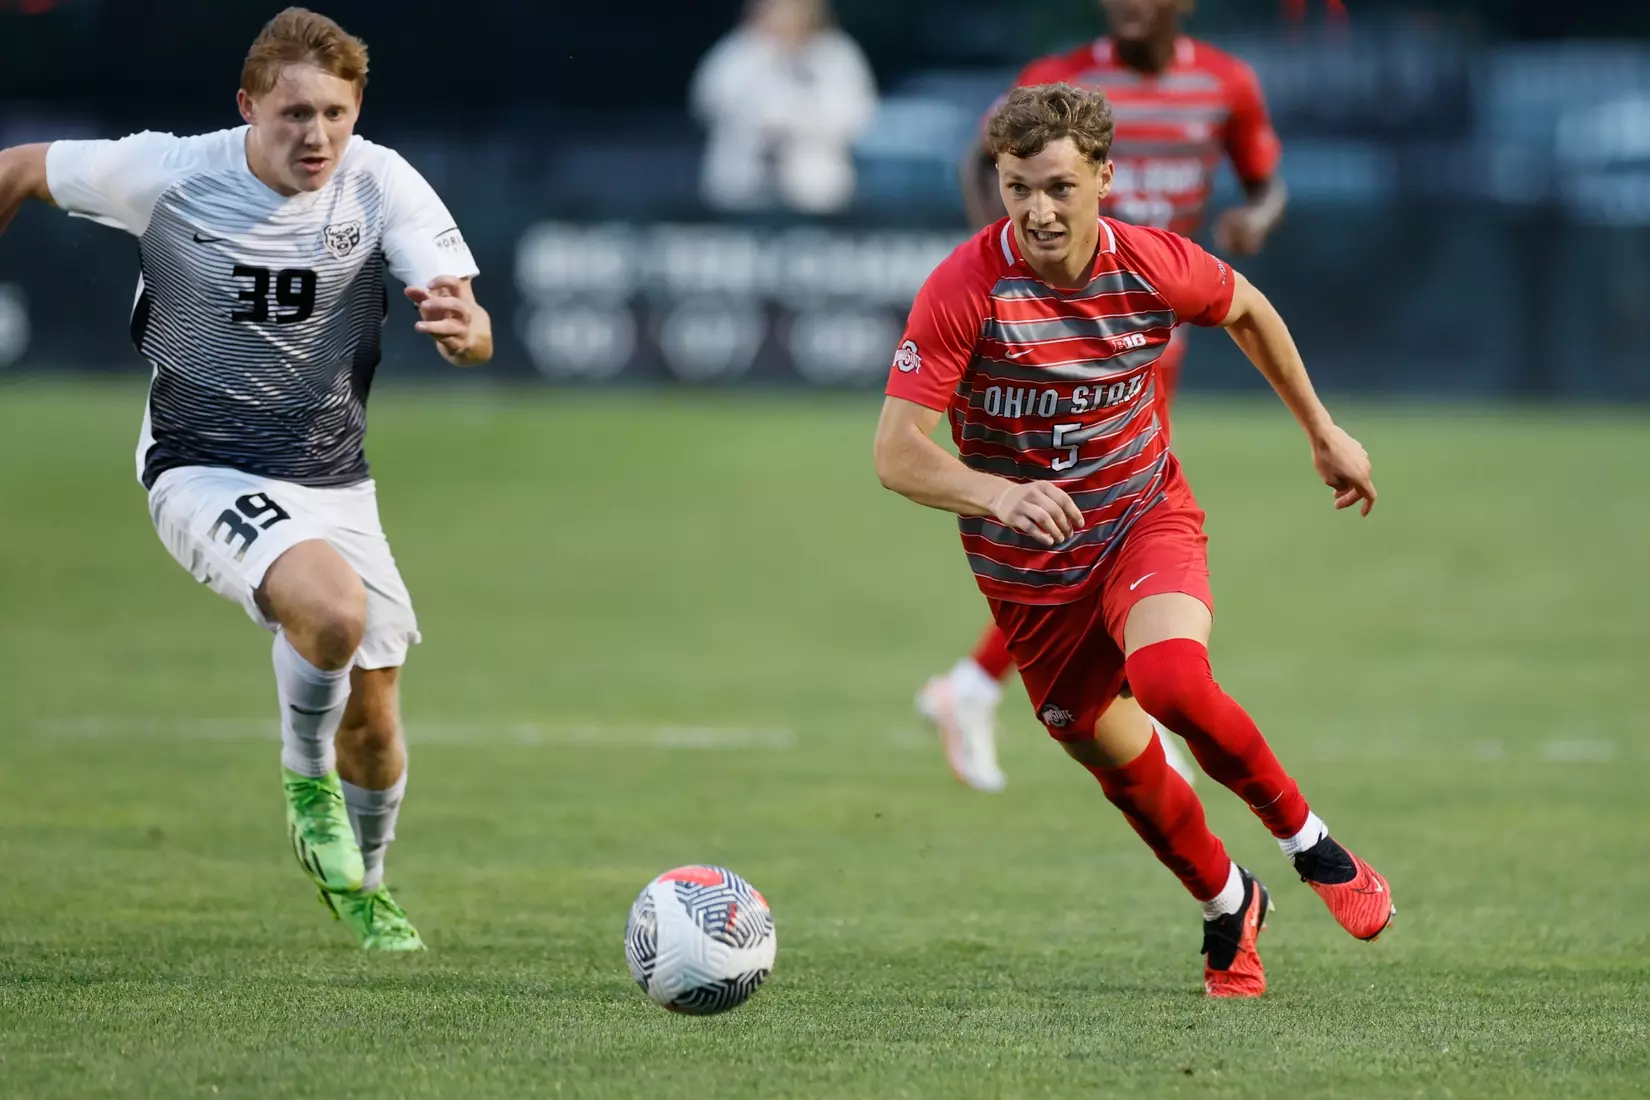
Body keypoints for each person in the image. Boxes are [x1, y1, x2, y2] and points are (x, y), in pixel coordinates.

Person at [873, 82, 1392, 996]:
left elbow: (1247, 308)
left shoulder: (1150, 264)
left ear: (1104, 179)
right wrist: (997, 494)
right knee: (1119, 765)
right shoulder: (964, 290)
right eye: (1017, 186)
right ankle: (1230, 905)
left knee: (1170, 680)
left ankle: (1313, 847)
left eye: (1059, 187)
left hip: (1143, 517)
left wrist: (1321, 429)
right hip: (1031, 580)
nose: (1037, 210)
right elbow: (895, 452)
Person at [0, 7, 492, 950]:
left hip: (334, 479)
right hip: (200, 462)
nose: (317, 137)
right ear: (247, 107)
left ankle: (365, 889)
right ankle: (303, 783)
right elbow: (19, 166)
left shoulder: (381, 182)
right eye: (295, 115)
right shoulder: (172, 174)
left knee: (377, 720)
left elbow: (472, 325)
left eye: (336, 115)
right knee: (332, 613)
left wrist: (466, 335)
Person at [919, 0, 1287, 793]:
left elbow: (1267, 185)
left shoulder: (1226, 85)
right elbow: (978, 163)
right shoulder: (1059, 82)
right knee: (1103, 519)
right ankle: (993, 688)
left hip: (1151, 333)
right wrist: (1016, 286)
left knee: (1107, 520)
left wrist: (1253, 221)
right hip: (1067, 344)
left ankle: (992, 687)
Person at [690, 0, 877, 215]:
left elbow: (855, 116)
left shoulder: (835, 54)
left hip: (816, 190)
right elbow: (707, 100)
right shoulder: (740, 50)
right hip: (741, 188)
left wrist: (794, 123)